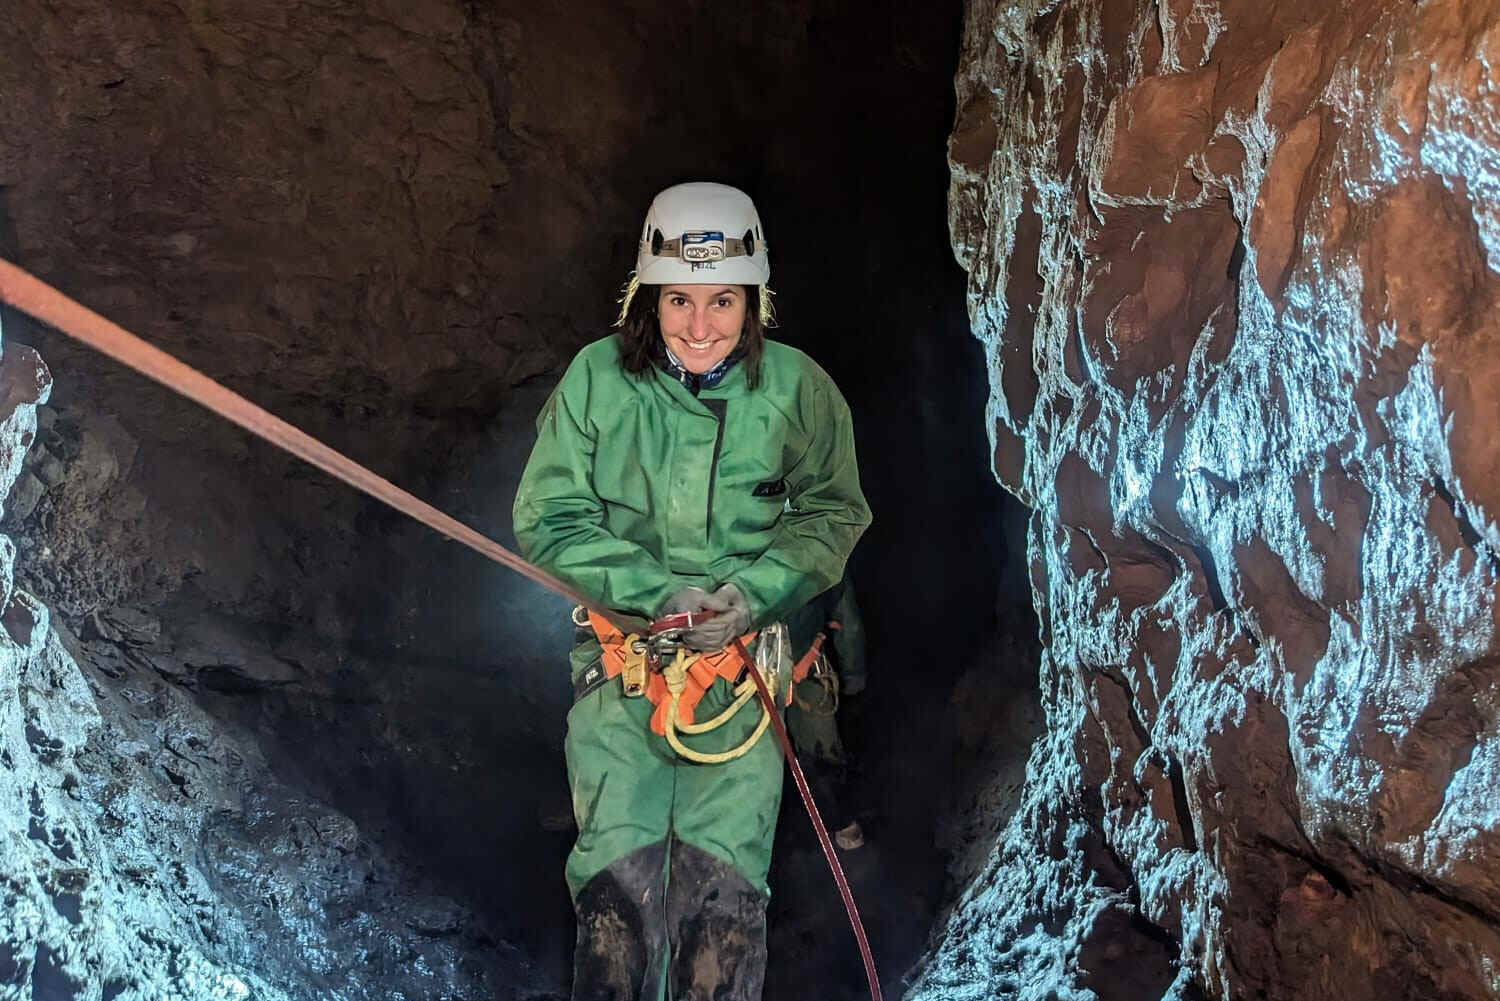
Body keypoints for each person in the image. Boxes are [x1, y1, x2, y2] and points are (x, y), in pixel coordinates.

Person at [512, 181, 871, 1001]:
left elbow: (832, 513)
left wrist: (752, 593)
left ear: (755, 300)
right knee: (614, 899)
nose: (700, 326)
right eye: (679, 298)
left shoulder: (797, 391)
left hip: (741, 690)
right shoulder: (599, 381)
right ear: (647, 296)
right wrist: (655, 589)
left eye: (722, 300)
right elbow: (551, 516)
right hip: (624, 679)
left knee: (722, 905)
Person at [783, 573, 867, 851]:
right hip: (803, 672)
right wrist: (853, 676)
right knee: (820, 757)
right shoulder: (820, 554)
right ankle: (844, 828)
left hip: (736, 677)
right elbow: (848, 623)